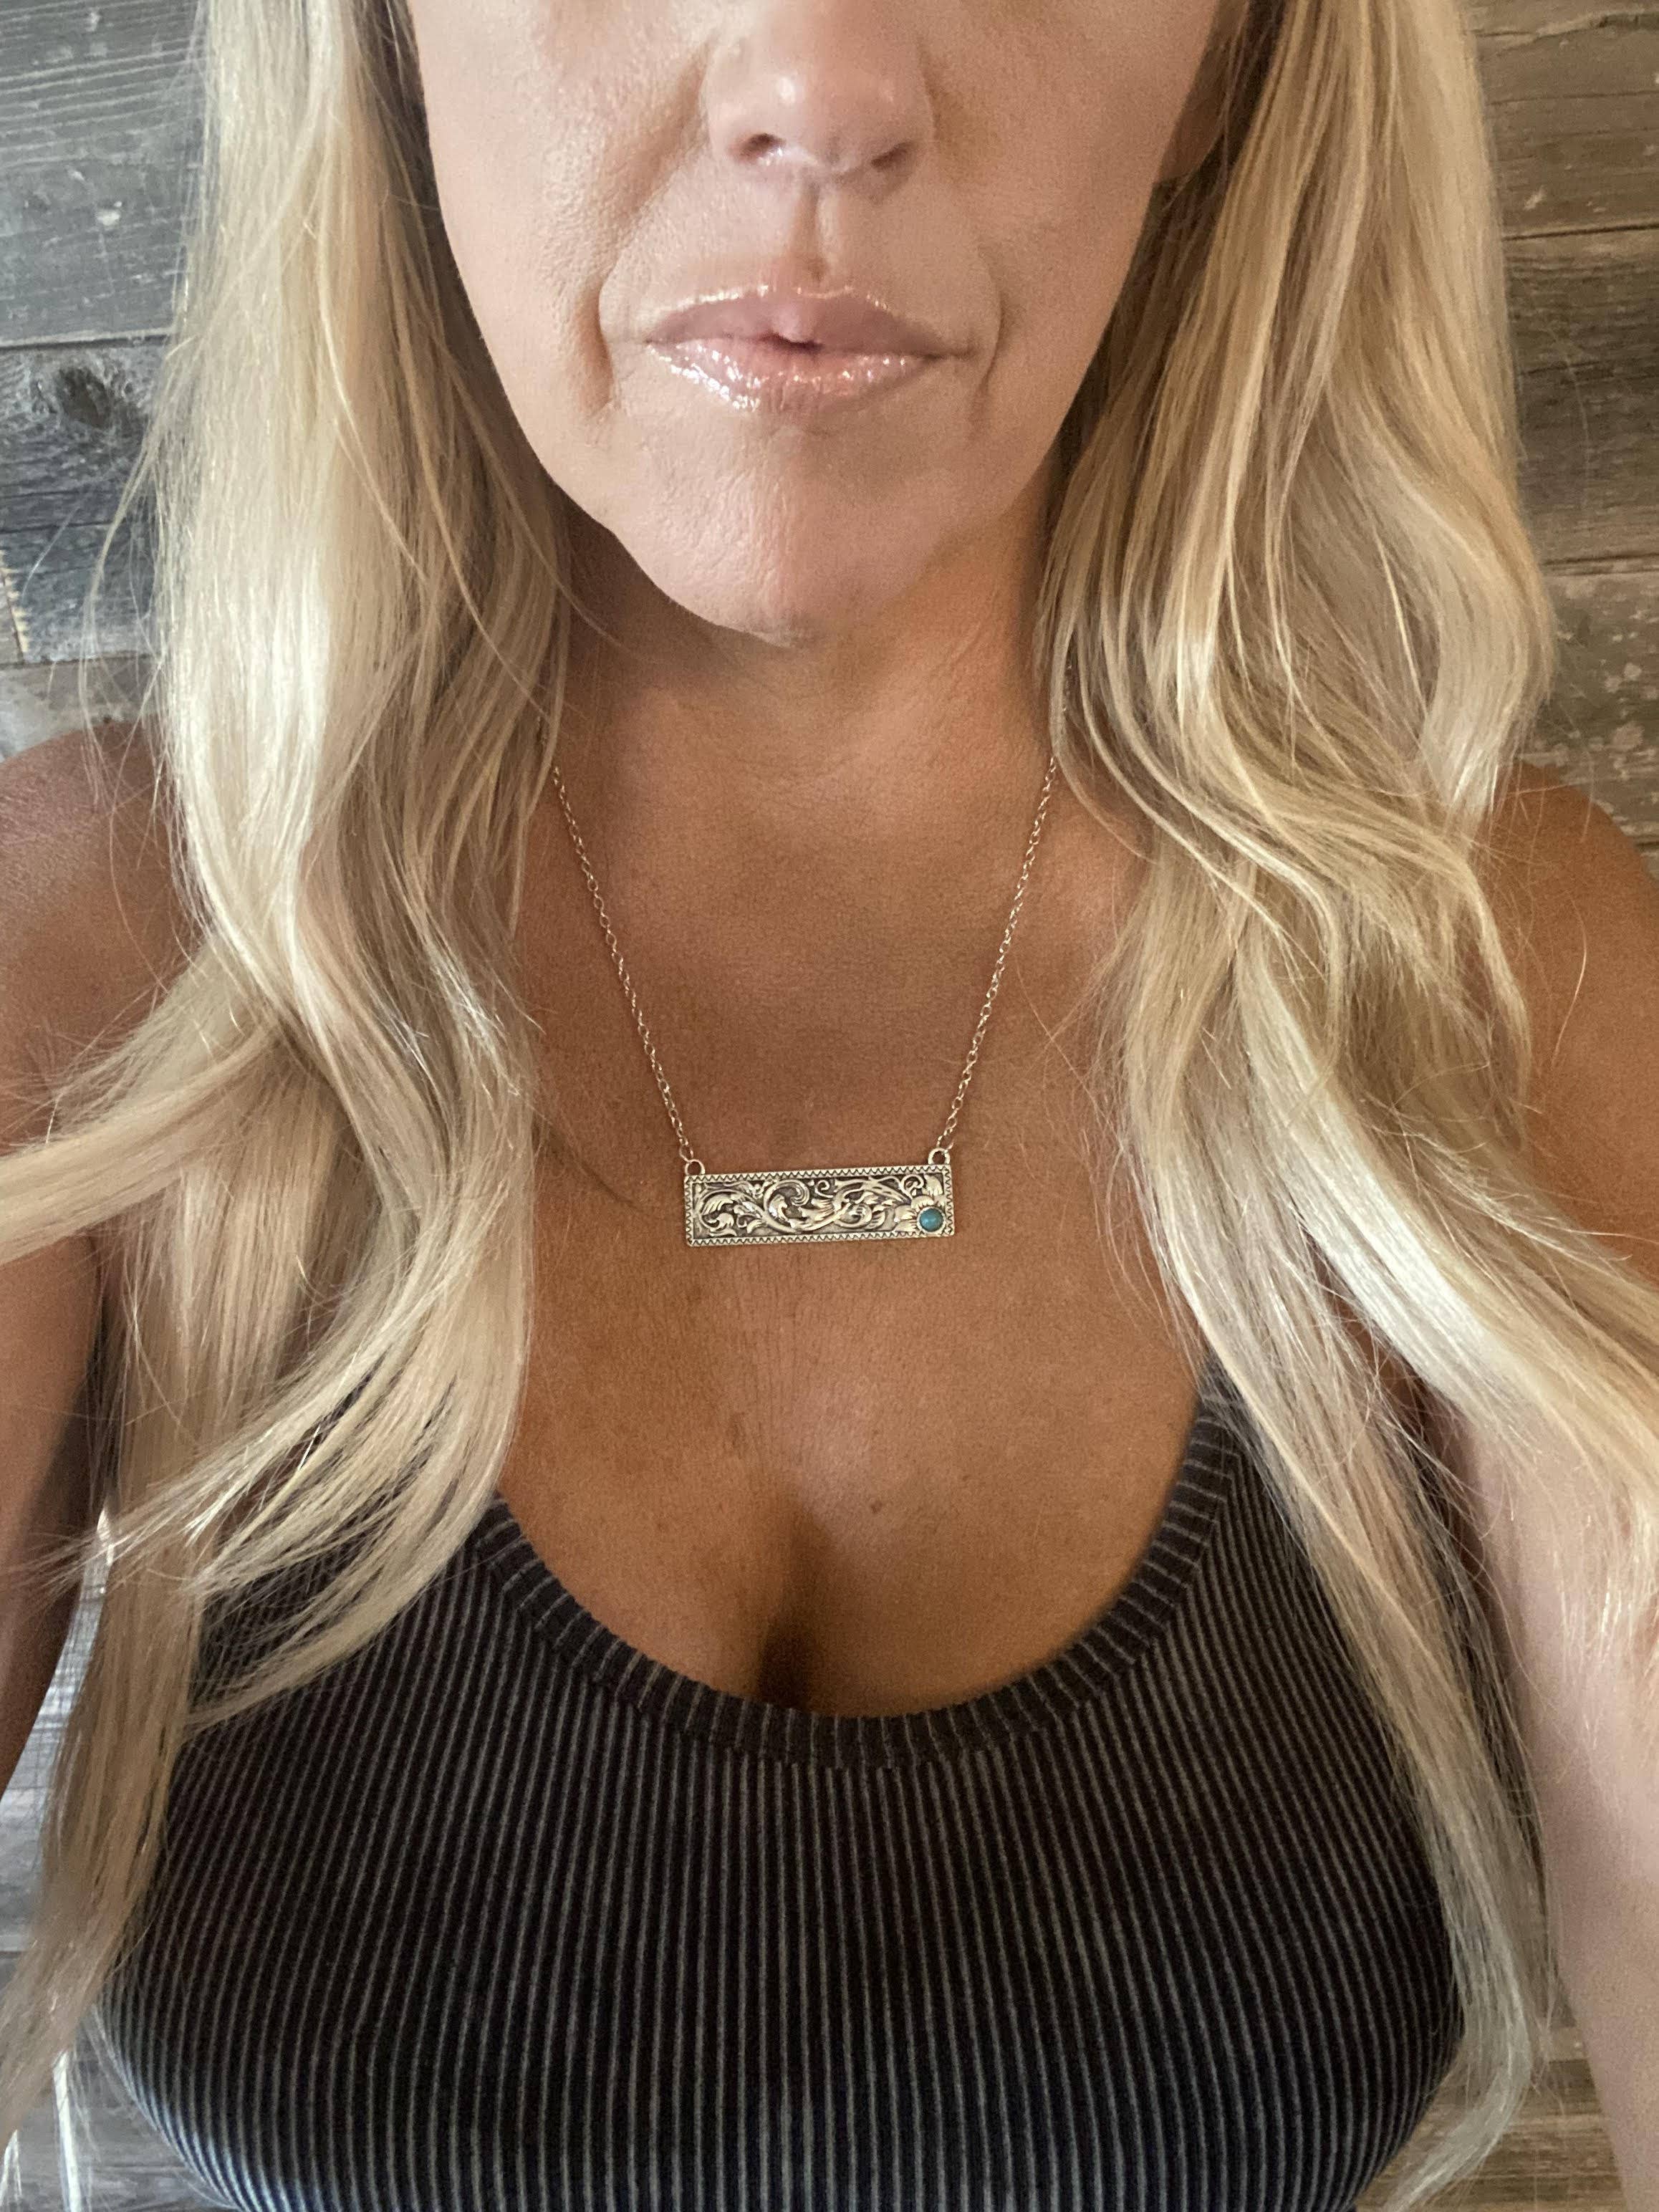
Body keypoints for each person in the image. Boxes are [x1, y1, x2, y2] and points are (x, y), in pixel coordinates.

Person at [1, 1, 1657, 2207]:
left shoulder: (1498, 991)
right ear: (387, 39)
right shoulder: (87, 969)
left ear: (1229, 71)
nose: (823, 88)